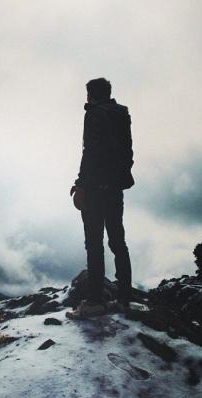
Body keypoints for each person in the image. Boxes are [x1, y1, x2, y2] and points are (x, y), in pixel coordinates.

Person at [66, 78, 134, 319]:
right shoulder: (122, 114)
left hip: (95, 189)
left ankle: (94, 302)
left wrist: (81, 184)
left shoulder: (94, 114)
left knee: (94, 243)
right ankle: (124, 299)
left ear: (91, 95)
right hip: (115, 188)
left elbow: (90, 153)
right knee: (118, 241)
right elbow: (128, 152)